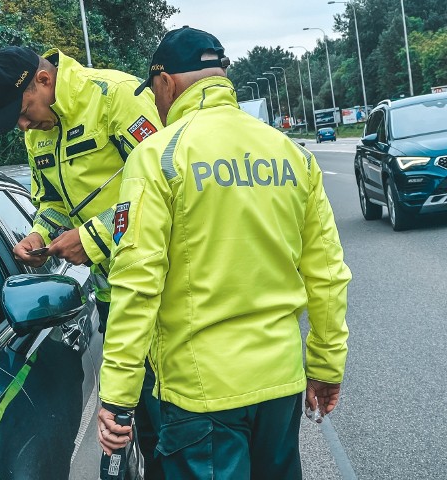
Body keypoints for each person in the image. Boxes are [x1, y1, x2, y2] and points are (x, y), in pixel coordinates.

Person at [97, 26, 352, 479]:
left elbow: (136, 284)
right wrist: (326, 367)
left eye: (155, 93)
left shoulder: (157, 157)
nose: (156, 105)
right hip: (280, 382)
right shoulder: (290, 153)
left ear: (166, 83)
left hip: (201, 394)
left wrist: (118, 397)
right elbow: (328, 274)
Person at [0, 45, 164, 478]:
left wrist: (95, 238)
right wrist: (39, 232)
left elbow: (166, 189)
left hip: (159, 289)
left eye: (23, 111)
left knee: (171, 424)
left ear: (43, 81)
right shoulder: (37, 133)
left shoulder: (116, 96)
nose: (23, 125)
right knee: (143, 428)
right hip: (109, 293)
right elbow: (51, 202)